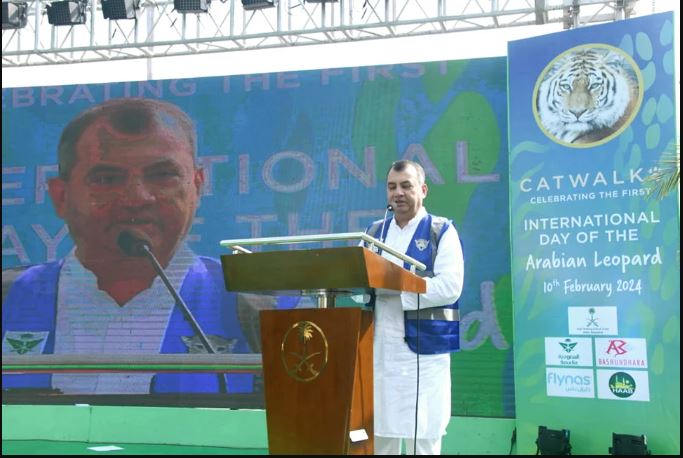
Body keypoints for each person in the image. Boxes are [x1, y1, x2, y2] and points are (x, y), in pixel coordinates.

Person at [2, 97, 292, 395]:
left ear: (197, 186)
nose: (137, 197)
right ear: (61, 196)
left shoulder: (266, 311)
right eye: (106, 178)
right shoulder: (9, 297)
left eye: (162, 175)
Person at [363, 160, 464, 455]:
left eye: (406, 186)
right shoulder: (374, 233)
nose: (398, 193)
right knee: (381, 435)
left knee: (424, 436)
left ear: (423, 190)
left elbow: (450, 286)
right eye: (392, 186)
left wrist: (398, 293)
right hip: (381, 350)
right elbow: (359, 281)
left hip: (424, 350)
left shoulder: (440, 230)